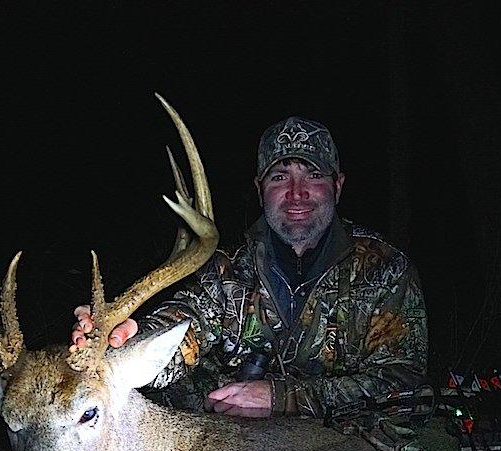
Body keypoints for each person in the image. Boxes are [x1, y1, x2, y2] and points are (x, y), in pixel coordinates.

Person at [71, 116, 428, 419]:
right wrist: (126, 337)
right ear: (260, 190)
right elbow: (186, 324)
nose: (296, 192)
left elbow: (403, 380)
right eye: (279, 177)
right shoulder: (228, 269)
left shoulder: (384, 269)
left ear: (338, 185)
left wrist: (281, 398)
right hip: (236, 447)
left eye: (313, 175)